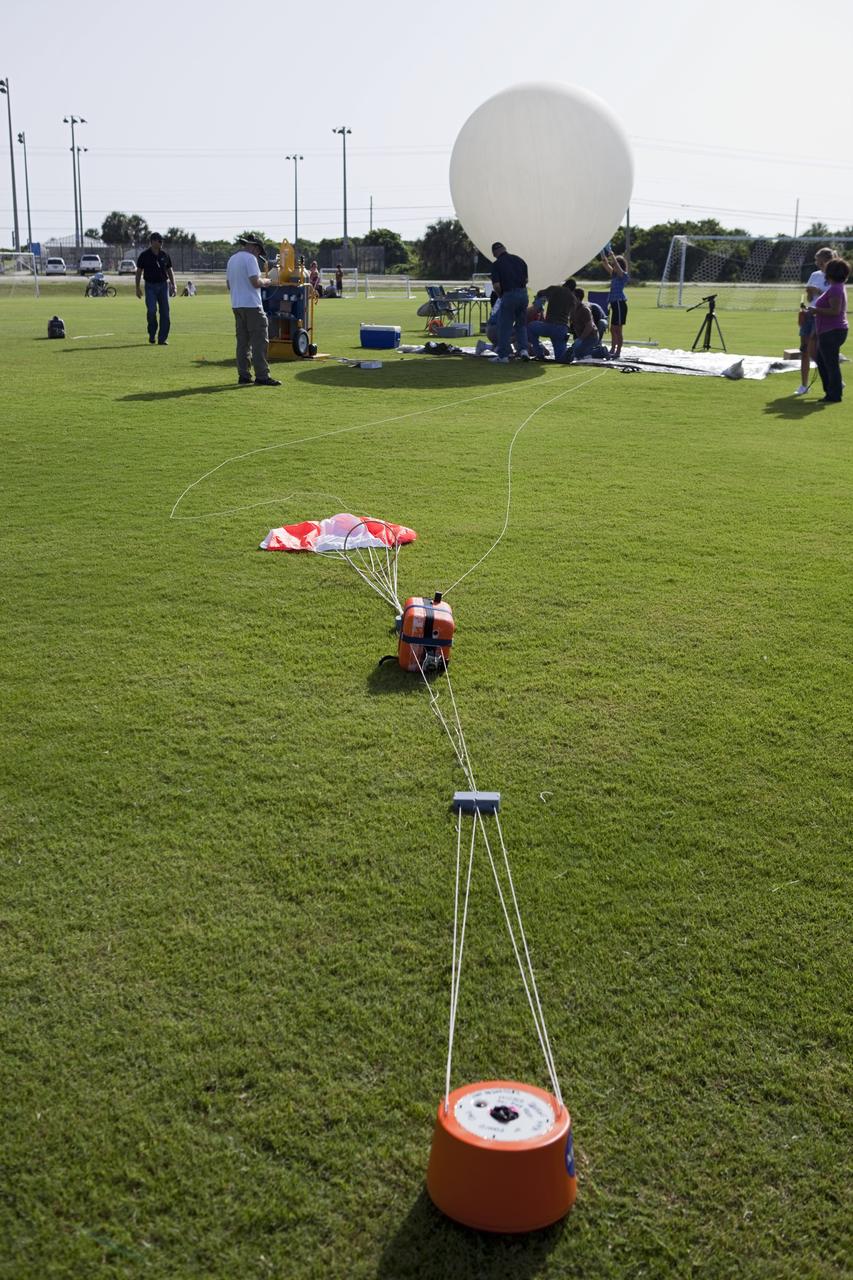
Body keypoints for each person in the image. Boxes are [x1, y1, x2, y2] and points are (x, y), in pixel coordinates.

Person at [225, 235, 281, 387]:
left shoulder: (232, 259)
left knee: (242, 343)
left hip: (236, 305)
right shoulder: (250, 259)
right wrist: (267, 281)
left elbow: (229, 285)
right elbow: (255, 282)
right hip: (252, 306)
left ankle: (243, 375)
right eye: (259, 251)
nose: (258, 254)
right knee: (259, 342)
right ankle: (262, 376)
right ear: (255, 248)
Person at [809, 256, 848, 404]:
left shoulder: (835, 289)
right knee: (822, 360)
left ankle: (834, 395)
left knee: (830, 364)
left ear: (830, 272)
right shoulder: (836, 287)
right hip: (830, 330)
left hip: (832, 331)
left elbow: (835, 311)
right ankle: (830, 391)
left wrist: (815, 310)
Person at [795, 247, 833, 396]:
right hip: (809, 314)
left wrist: (818, 291)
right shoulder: (814, 274)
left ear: (824, 260)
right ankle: (804, 386)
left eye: (818, 260)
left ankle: (833, 380)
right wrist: (810, 293)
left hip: (822, 316)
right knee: (804, 350)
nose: (816, 262)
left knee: (818, 352)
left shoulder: (834, 276)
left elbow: (834, 298)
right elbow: (811, 299)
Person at [490, 241, 530, 363]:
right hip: (523, 294)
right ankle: (524, 350)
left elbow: (496, 286)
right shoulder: (519, 260)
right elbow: (526, 280)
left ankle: (503, 356)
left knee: (504, 326)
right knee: (521, 325)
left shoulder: (496, 265)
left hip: (509, 295)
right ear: (505, 249)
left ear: (495, 253)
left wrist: (501, 296)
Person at [135, 232, 176, 345]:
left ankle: (162, 338)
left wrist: (174, 285)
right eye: (159, 240)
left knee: (165, 313)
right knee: (152, 311)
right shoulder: (144, 255)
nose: (161, 242)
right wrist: (137, 287)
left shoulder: (164, 255)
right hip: (150, 286)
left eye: (161, 240)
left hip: (163, 286)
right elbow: (139, 272)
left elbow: (169, 270)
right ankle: (152, 334)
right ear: (152, 242)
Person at [528, 278, 575, 362]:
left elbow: (540, 293)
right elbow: (572, 314)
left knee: (531, 327)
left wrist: (539, 303)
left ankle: (539, 353)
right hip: (562, 328)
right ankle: (567, 355)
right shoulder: (573, 298)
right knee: (560, 358)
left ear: (564, 284)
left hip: (549, 326)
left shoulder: (554, 289)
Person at [600, 244, 629, 358]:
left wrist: (612, 254)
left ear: (620, 266)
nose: (613, 266)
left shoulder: (623, 276)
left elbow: (616, 265)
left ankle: (618, 351)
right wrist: (601, 249)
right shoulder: (613, 275)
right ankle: (613, 348)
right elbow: (604, 262)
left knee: (618, 330)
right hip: (614, 305)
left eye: (616, 264)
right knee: (613, 329)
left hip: (620, 305)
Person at [566, 291, 601, 363]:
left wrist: (581, 339)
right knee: (573, 352)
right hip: (581, 337)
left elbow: (589, 326)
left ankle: (600, 351)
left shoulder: (584, 310)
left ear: (578, 299)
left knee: (579, 354)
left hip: (591, 337)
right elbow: (570, 323)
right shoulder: (573, 309)